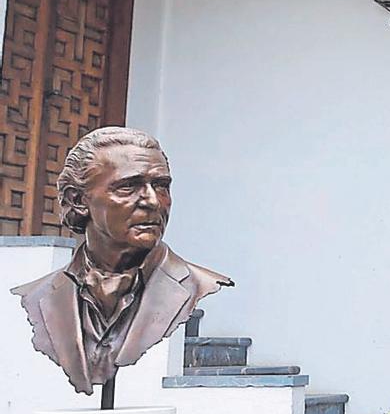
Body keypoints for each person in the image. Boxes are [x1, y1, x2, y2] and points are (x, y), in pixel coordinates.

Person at [13, 126, 232, 397]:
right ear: (78, 200)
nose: (153, 201)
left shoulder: (198, 285)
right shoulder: (39, 296)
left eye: (161, 186)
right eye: (128, 186)